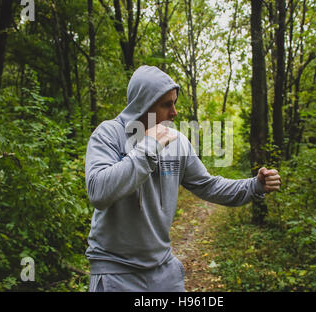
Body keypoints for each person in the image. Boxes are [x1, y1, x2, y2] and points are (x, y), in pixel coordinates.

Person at [85, 65, 281, 292]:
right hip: (115, 272)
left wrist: (254, 185)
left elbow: (209, 186)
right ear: (144, 104)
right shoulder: (109, 134)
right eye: (167, 104)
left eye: (174, 103)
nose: (175, 112)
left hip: (162, 269)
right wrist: (148, 148)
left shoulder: (177, 141)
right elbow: (98, 192)